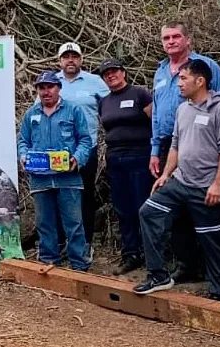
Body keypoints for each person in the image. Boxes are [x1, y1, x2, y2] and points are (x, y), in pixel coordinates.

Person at [134, 59, 220, 300]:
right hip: (180, 182)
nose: (178, 84)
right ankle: (158, 275)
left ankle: (219, 291)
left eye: (183, 78)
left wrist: (218, 183)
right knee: (148, 213)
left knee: (211, 237)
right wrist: (166, 175)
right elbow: (176, 146)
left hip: (208, 186)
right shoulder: (183, 109)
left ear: (200, 81)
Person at [149, 22, 220, 283]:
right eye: (166, 38)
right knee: (176, 212)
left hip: (205, 144)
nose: (170, 41)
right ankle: (186, 265)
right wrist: (154, 150)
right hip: (169, 145)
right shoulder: (160, 72)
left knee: (209, 214)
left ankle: (219, 273)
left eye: (176, 36)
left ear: (188, 40)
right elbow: (157, 112)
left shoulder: (205, 66)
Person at [18, 71, 93, 270]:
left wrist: (78, 157)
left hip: (68, 177)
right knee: (45, 223)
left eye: (50, 87)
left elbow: (85, 140)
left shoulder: (73, 110)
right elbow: (23, 141)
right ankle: (49, 262)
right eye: (41, 88)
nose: (46, 91)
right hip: (40, 179)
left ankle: (79, 264)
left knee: (74, 223)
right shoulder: (31, 114)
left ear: (58, 88)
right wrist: (23, 156)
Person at [95, 59, 154, 275]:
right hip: (115, 158)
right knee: (123, 208)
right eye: (106, 74)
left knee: (143, 207)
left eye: (114, 71)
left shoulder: (140, 94)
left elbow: (155, 122)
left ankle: (152, 256)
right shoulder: (104, 101)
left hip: (139, 156)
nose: (111, 76)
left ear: (123, 72)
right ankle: (131, 254)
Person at [54, 42, 111, 245]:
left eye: (75, 56)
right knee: (58, 194)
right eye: (66, 56)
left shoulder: (94, 81)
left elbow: (111, 106)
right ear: (60, 60)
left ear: (81, 59)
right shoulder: (52, 82)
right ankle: (61, 241)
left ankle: (84, 241)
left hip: (87, 148)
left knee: (84, 193)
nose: (71, 60)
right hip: (57, 151)